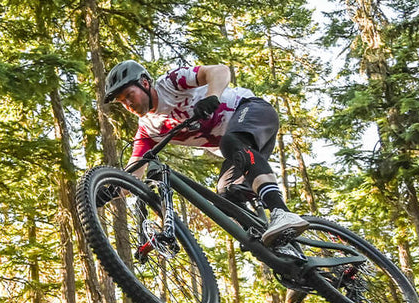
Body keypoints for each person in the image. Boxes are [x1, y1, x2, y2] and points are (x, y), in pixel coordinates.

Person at [102, 59, 309, 245]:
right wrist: (111, 191)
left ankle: (281, 212)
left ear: (145, 84)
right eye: (122, 102)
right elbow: (134, 172)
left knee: (231, 141)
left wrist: (212, 96)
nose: (128, 104)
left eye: (129, 95)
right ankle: (284, 251)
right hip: (237, 149)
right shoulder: (148, 129)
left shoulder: (170, 84)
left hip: (252, 110)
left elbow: (220, 70)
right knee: (226, 195)